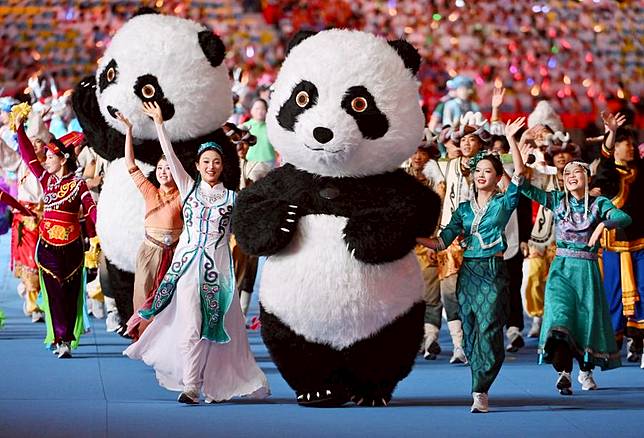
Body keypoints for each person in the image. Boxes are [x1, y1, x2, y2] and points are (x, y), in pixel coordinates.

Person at [125, 102, 269, 404]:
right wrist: (160, 125)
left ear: (222, 166)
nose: (211, 166)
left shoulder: (232, 198)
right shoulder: (188, 188)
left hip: (219, 274)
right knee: (191, 324)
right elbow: (172, 156)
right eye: (206, 162)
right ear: (198, 166)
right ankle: (191, 385)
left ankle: (214, 380)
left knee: (215, 330)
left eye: (216, 162)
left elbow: (249, 224)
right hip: (187, 270)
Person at [509, 118, 632, 395]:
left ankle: (585, 371)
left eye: (577, 172)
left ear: (587, 178)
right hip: (562, 268)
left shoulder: (598, 203)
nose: (571, 176)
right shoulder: (556, 201)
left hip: (587, 271)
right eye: (567, 174)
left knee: (585, 322)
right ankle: (563, 371)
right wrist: (512, 143)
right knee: (559, 318)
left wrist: (602, 224)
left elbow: (624, 217)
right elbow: (522, 183)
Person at [417, 118, 525, 413]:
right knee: (472, 330)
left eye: (488, 171)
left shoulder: (504, 203)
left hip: (493, 271)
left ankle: (481, 388)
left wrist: (512, 141)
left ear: (497, 175)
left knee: (490, 330)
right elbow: (441, 242)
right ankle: (478, 384)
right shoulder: (463, 210)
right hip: (469, 274)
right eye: (477, 171)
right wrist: (413, 237)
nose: (480, 175)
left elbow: (520, 178)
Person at [16, 113, 97, 358]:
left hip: (72, 247)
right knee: (53, 294)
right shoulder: (46, 180)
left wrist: (100, 228)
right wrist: (19, 129)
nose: (46, 160)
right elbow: (29, 157)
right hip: (48, 247)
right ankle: (60, 339)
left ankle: (68, 336)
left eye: (51, 157)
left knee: (70, 294)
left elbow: (91, 208)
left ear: (62, 159)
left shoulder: (78, 184)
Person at [114, 112, 184, 341]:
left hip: (174, 254)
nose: (164, 172)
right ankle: (144, 338)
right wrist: (128, 131)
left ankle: (167, 341)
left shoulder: (184, 195)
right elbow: (130, 164)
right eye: (161, 168)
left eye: (169, 168)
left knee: (171, 299)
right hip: (149, 253)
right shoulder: (149, 191)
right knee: (143, 296)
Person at [590, 114, 643, 367]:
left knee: (643, 293)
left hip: (642, 243)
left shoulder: (640, 170)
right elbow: (604, 159)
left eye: (633, 143)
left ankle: (639, 340)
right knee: (614, 296)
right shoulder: (608, 174)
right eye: (626, 143)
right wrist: (610, 134)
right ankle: (613, 346)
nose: (631, 147)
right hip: (613, 245)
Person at [0, 110, 48, 323]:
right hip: (26, 219)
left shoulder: (50, 168)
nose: (35, 146)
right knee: (31, 260)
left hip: (47, 217)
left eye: (39, 143)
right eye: (32, 143)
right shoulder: (21, 163)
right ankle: (33, 303)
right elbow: (4, 153)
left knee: (46, 261)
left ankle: (43, 299)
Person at [404, 142, 445, 359]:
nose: (418, 157)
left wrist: (434, 242)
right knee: (407, 297)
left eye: (422, 153)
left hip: (428, 244)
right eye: (414, 152)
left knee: (431, 294)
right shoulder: (399, 180)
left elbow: (441, 214)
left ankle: (431, 338)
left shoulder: (438, 184)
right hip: (404, 247)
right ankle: (414, 338)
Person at [242, 99, 276, 167]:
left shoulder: (271, 127)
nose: (260, 111)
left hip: (269, 163)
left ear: (266, 111)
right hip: (250, 162)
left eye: (263, 109)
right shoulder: (244, 127)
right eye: (257, 109)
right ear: (251, 110)